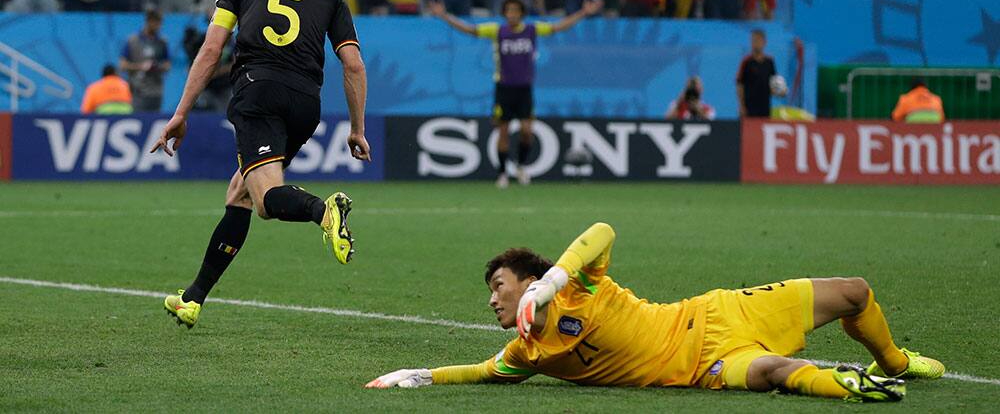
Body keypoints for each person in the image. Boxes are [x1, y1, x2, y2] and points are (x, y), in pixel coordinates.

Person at [366, 222, 944, 401]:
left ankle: (893, 362)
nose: (492, 299)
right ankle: (849, 386)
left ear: (529, 282)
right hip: (703, 368)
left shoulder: (578, 290)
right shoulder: (528, 353)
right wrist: (413, 375)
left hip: (712, 314)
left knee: (855, 292)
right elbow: (479, 372)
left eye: (499, 285)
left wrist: (552, 282)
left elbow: (602, 232)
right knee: (774, 374)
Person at [152, 0, 370, 329]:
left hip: (258, 92)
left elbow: (212, 50)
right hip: (306, 102)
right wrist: (357, 128)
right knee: (241, 192)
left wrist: (181, 113)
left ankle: (322, 211)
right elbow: (354, 66)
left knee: (268, 199)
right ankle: (193, 298)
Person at [429, 0, 601, 188]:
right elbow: (470, 30)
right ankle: (502, 173)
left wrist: (583, 13)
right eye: (509, 11)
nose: (512, 14)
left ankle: (520, 166)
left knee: (527, 131)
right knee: (503, 132)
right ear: (504, 13)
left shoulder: (532, 30)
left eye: (516, 11)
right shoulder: (497, 31)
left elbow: (559, 26)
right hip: (503, 89)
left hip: (524, 89)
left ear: (521, 14)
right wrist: (444, 16)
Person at [120, 9, 172, 113]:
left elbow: (167, 65)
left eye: (160, 23)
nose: (159, 26)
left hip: (156, 91)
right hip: (137, 91)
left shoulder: (162, 42)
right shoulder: (132, 41)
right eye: (156, 23)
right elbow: (123, 65)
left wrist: (157, 66)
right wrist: (141, 66)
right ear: (149, 21)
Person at [736, 29, 786, 118]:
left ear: (764, 42)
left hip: (765, 107)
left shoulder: (770, 62)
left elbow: (774, 84)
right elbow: (740, 85)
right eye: (753, 41)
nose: (755, 43)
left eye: (758, 40)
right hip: (749, 107)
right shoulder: (746, 62)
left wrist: (780, 92)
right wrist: (741, 106)